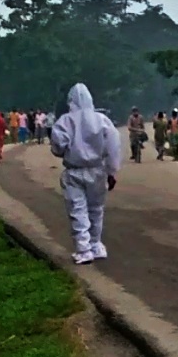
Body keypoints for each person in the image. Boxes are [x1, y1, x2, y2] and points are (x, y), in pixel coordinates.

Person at [50, 83, 122, 265]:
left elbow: (58, 147)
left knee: (77, 210)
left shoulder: (65, 122)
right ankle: (96, 244)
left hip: (74, 171)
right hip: (98, 171)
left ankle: (83, 249)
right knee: (96, 209)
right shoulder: (102, 120)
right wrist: (112, 171)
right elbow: (113, 147)